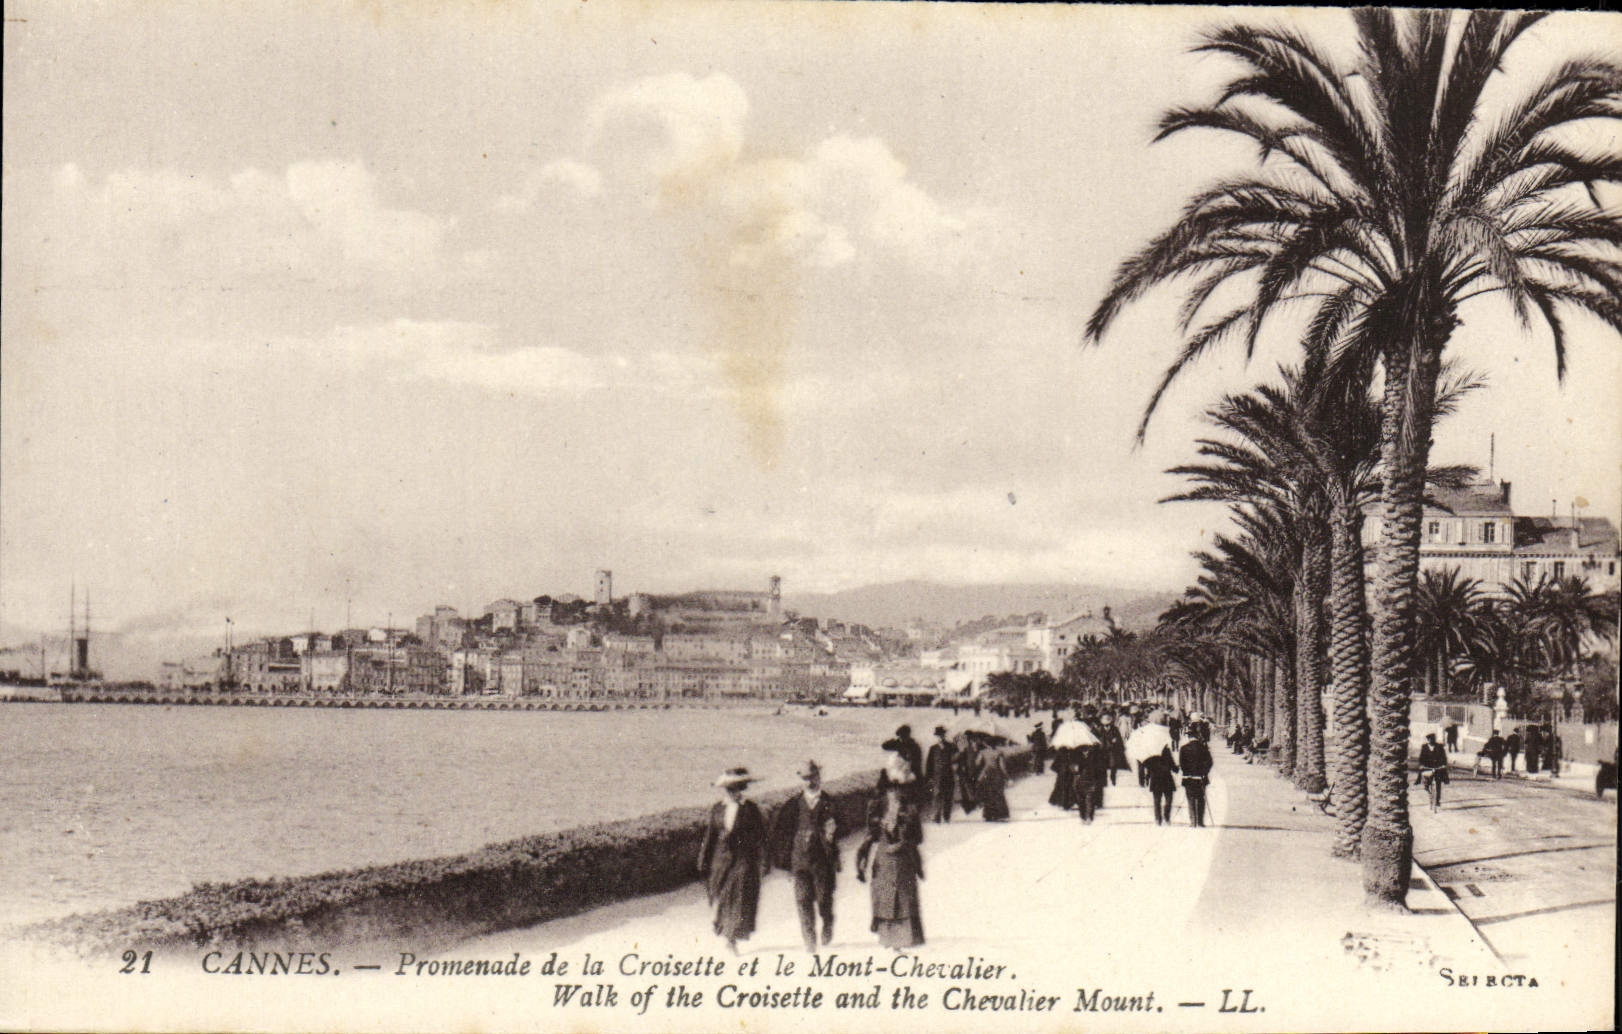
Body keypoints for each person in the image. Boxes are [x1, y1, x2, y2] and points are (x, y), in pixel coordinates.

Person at [768, 760, 842, 953]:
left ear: (819, 777)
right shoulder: (793, 805)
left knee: (824, 898)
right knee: (802, 900)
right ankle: (809, 939)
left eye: (812, 777)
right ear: (801, 780)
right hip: (799, 861)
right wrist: (785, 864)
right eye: (805, 778)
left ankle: (827, 922)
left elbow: (845, 826)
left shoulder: (829, 803)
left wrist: (833, 831)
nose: (809, 782)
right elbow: (782, 834)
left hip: (823, 861)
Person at [856, 752, 925, 950]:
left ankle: (889, 939)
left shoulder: (876, 804)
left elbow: (870, 833)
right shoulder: (909, 806)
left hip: (885, 856)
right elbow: (917, 837)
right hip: (903, 856)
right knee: (903, 895)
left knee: (886, 895)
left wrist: (862, 859)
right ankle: (904, 939)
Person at [697, 767, 767, 954]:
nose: (732, 792)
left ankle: (731, 938)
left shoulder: (750, 809)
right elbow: (710, 836)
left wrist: (762, 861)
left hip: (743, 860)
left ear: (742, 788)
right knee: (720, 896)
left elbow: (760, 837)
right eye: (729, 789)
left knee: (738, 897)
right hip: (720, 861)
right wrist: (703, 860)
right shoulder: (717, 809)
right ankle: (722, 926)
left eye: (736, 788)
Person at [1178, 733, 1214, 827]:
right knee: (1201, 799)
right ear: (1197, 737)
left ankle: (1193, 821)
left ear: (1189, 737)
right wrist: (1204, 772)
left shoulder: (1184, 748)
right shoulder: (1203, 748)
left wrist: (1187, 772)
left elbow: (1182, 763)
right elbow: (1210, 762)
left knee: (1190, 799)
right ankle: (1200, 822)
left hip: (1188, 778)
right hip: (1201, 778)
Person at [923, 727, 957, 824]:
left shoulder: (951, 747)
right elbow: (929, 764)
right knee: (937, 796)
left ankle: (946, 816)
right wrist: (929, 777)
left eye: (941, 735)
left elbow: (956, 759)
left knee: (948, 796)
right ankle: (936, 816)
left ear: (944, 735)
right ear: (936, 737)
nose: (940, 737)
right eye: (938, 736)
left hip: (949, 775)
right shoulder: (933, 748)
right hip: (937, 776)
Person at [1144, 744, 1179, 825]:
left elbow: (1149, 768)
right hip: (1166, 778)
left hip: (1155, 779)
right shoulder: (1166, 751)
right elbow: (1172, 764)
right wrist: (1176, 769)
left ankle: (1158, 819)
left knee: (1157, 800)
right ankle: (1166, 817)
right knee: (1169, 799)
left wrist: (1147, 777)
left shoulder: (1151, 752)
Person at [1417, 733, 1449, 813]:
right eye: (1428, 739)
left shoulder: (1439, 747)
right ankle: (1429, 793)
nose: (1430, 741)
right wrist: (1421, 765)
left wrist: (1443, 765)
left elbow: (1444, 757)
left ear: (1434, 739)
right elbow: (1421, 758)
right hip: (1427, 768)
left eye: (1431, 739)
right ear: (1427, 740)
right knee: (1426, 784)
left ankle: (1437, 800)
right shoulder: (1424, 747)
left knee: (1438, 784)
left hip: (1437, 768)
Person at [978, 748, 1011, 821]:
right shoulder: (999, 752)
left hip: (987, 774)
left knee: (988, 794)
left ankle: (989, 815)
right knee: (998, 794)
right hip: (997, 775)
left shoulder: (983, 752)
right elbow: (1002, 766)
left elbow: (977, 763)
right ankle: (1000, 815)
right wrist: (1007, 777)